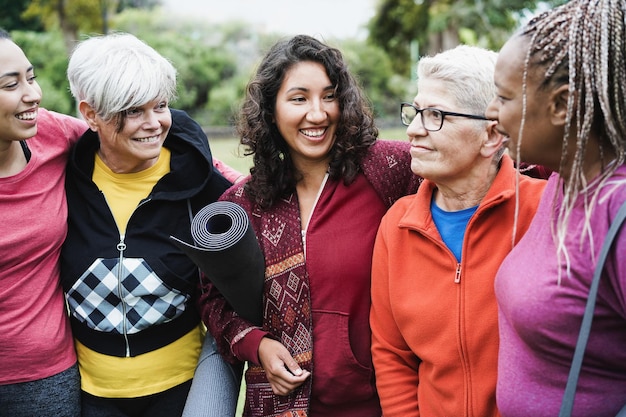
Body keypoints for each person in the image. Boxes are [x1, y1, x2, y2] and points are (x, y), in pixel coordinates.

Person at [197, 34, 421, 416]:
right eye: (299, 98)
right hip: (278, 406)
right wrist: (257, 345)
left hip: (374, 403)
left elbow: (463, 179)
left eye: (329, 96)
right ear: (270, 110)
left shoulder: (388, 171)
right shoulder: (242, 205)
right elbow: (212, 298)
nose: (317, 114)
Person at [60, 32, 240, 417]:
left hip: (183, 391)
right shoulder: (61, 180)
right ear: (91, 114)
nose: (153, 124)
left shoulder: (202, 184)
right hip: (91, 397)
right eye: (132, 111)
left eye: (159, 106)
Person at [369, 44, 548, 417]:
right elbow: (392, 355)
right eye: (416, 112)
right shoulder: (397, 226)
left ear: (492, 135)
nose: (414, 129)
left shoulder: (547, 212)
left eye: (436, 115)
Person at [485, 0, 626, 415]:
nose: (491, 114)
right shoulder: (565, 181)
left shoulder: (616, 212)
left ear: (562, 105)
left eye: (504, 97)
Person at [0, 28, 87, 416]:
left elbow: (131, 135)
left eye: (30, 78)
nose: (33, 95)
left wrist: (247, 189)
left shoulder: (52, 135)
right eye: (10, 85)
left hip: (45, 379)